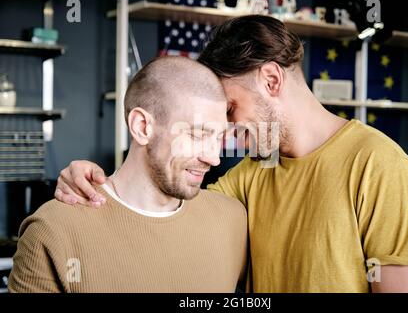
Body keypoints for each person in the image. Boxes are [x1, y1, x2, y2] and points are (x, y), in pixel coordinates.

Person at [54, 15, 408, 293]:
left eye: (231, 109)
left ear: (271, 80)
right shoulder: (254, 172)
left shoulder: (380, 167)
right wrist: (98, 181)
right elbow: (165, 199)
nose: (228, 129)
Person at [8, 56, 248, 293]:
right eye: (197, 135)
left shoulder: (232, 219)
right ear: (142, 127)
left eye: (219, 138)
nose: (213, 158)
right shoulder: (53, 231)